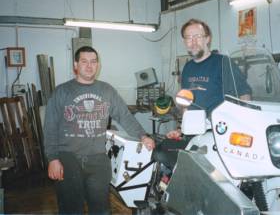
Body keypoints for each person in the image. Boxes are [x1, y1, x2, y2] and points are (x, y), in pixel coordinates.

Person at [43, 46, 155, 215]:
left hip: (98, 160)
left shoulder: (106, 90)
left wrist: (142, 135)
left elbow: (124, 116)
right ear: (75, 65)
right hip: (68, 159)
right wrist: (52, 159)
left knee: (101, 210)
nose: (89, 66)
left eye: (93, 62)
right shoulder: (61, 92)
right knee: (71, 210)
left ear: (98, 65)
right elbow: (50, 127)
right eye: (84, 61)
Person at [153, 18, 251, 170]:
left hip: (219, 135)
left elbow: (244, 94)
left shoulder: (223, 62)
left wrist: (243, 127)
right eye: (188, 38)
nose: (193, 41)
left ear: (207, 38)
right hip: (195, 135)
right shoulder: (188, 68)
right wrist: (182, 129)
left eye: (197, 36)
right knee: (162, 154)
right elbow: (186, 104)